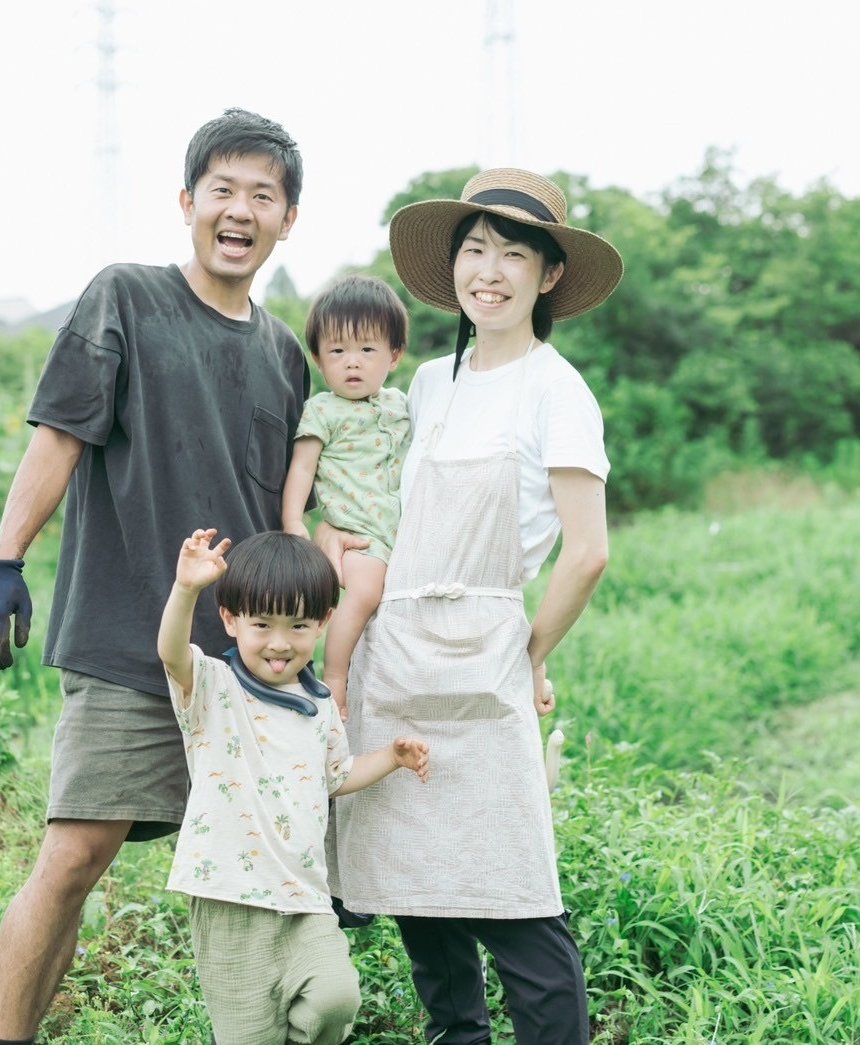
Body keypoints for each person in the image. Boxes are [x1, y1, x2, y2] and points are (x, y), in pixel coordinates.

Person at [0, 108, 310, 1045]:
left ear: (288, 220)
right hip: (129, 640)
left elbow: (289, 516)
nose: (239, 212)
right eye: (223, 191)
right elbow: (61, 434)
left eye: (262, 197)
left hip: (247, 665)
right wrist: (5, 559)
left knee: (266, 872)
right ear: (188, 201)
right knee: (76, 855)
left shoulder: (285, 354)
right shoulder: (126, 296)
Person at [327, 168, 622, 1045]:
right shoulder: (425, 382)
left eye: (512, 254)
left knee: (515, 893)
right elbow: (386, 512)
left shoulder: (554, 387)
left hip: (484, 649)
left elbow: (587, 550)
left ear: (549, 275)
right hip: (396, 648)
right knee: (418, 884)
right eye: (474, 249)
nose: (487, 271)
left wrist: (528, 653)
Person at [157, 527, 430, 1044]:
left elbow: (338, 775)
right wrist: (186, 589)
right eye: (261, 624)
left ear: (324, 622)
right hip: (230, 896)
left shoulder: (320, 701)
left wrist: (391, 759)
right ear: (231, 620)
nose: (280, 643)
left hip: (304, 895)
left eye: (299, 626)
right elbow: (172, 653)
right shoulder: (213, 686)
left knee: (335, 996)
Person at [281, 274, 411, 719]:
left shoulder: (400, 406)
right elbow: (301, 467)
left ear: (394, 355)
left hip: (398, 536)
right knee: (365, 593)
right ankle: (335, 677)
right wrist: (295, 522)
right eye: (337, 351)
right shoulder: (322, 409)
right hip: (356, 533)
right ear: (318, 358)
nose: (351, 363)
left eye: (367, 350)